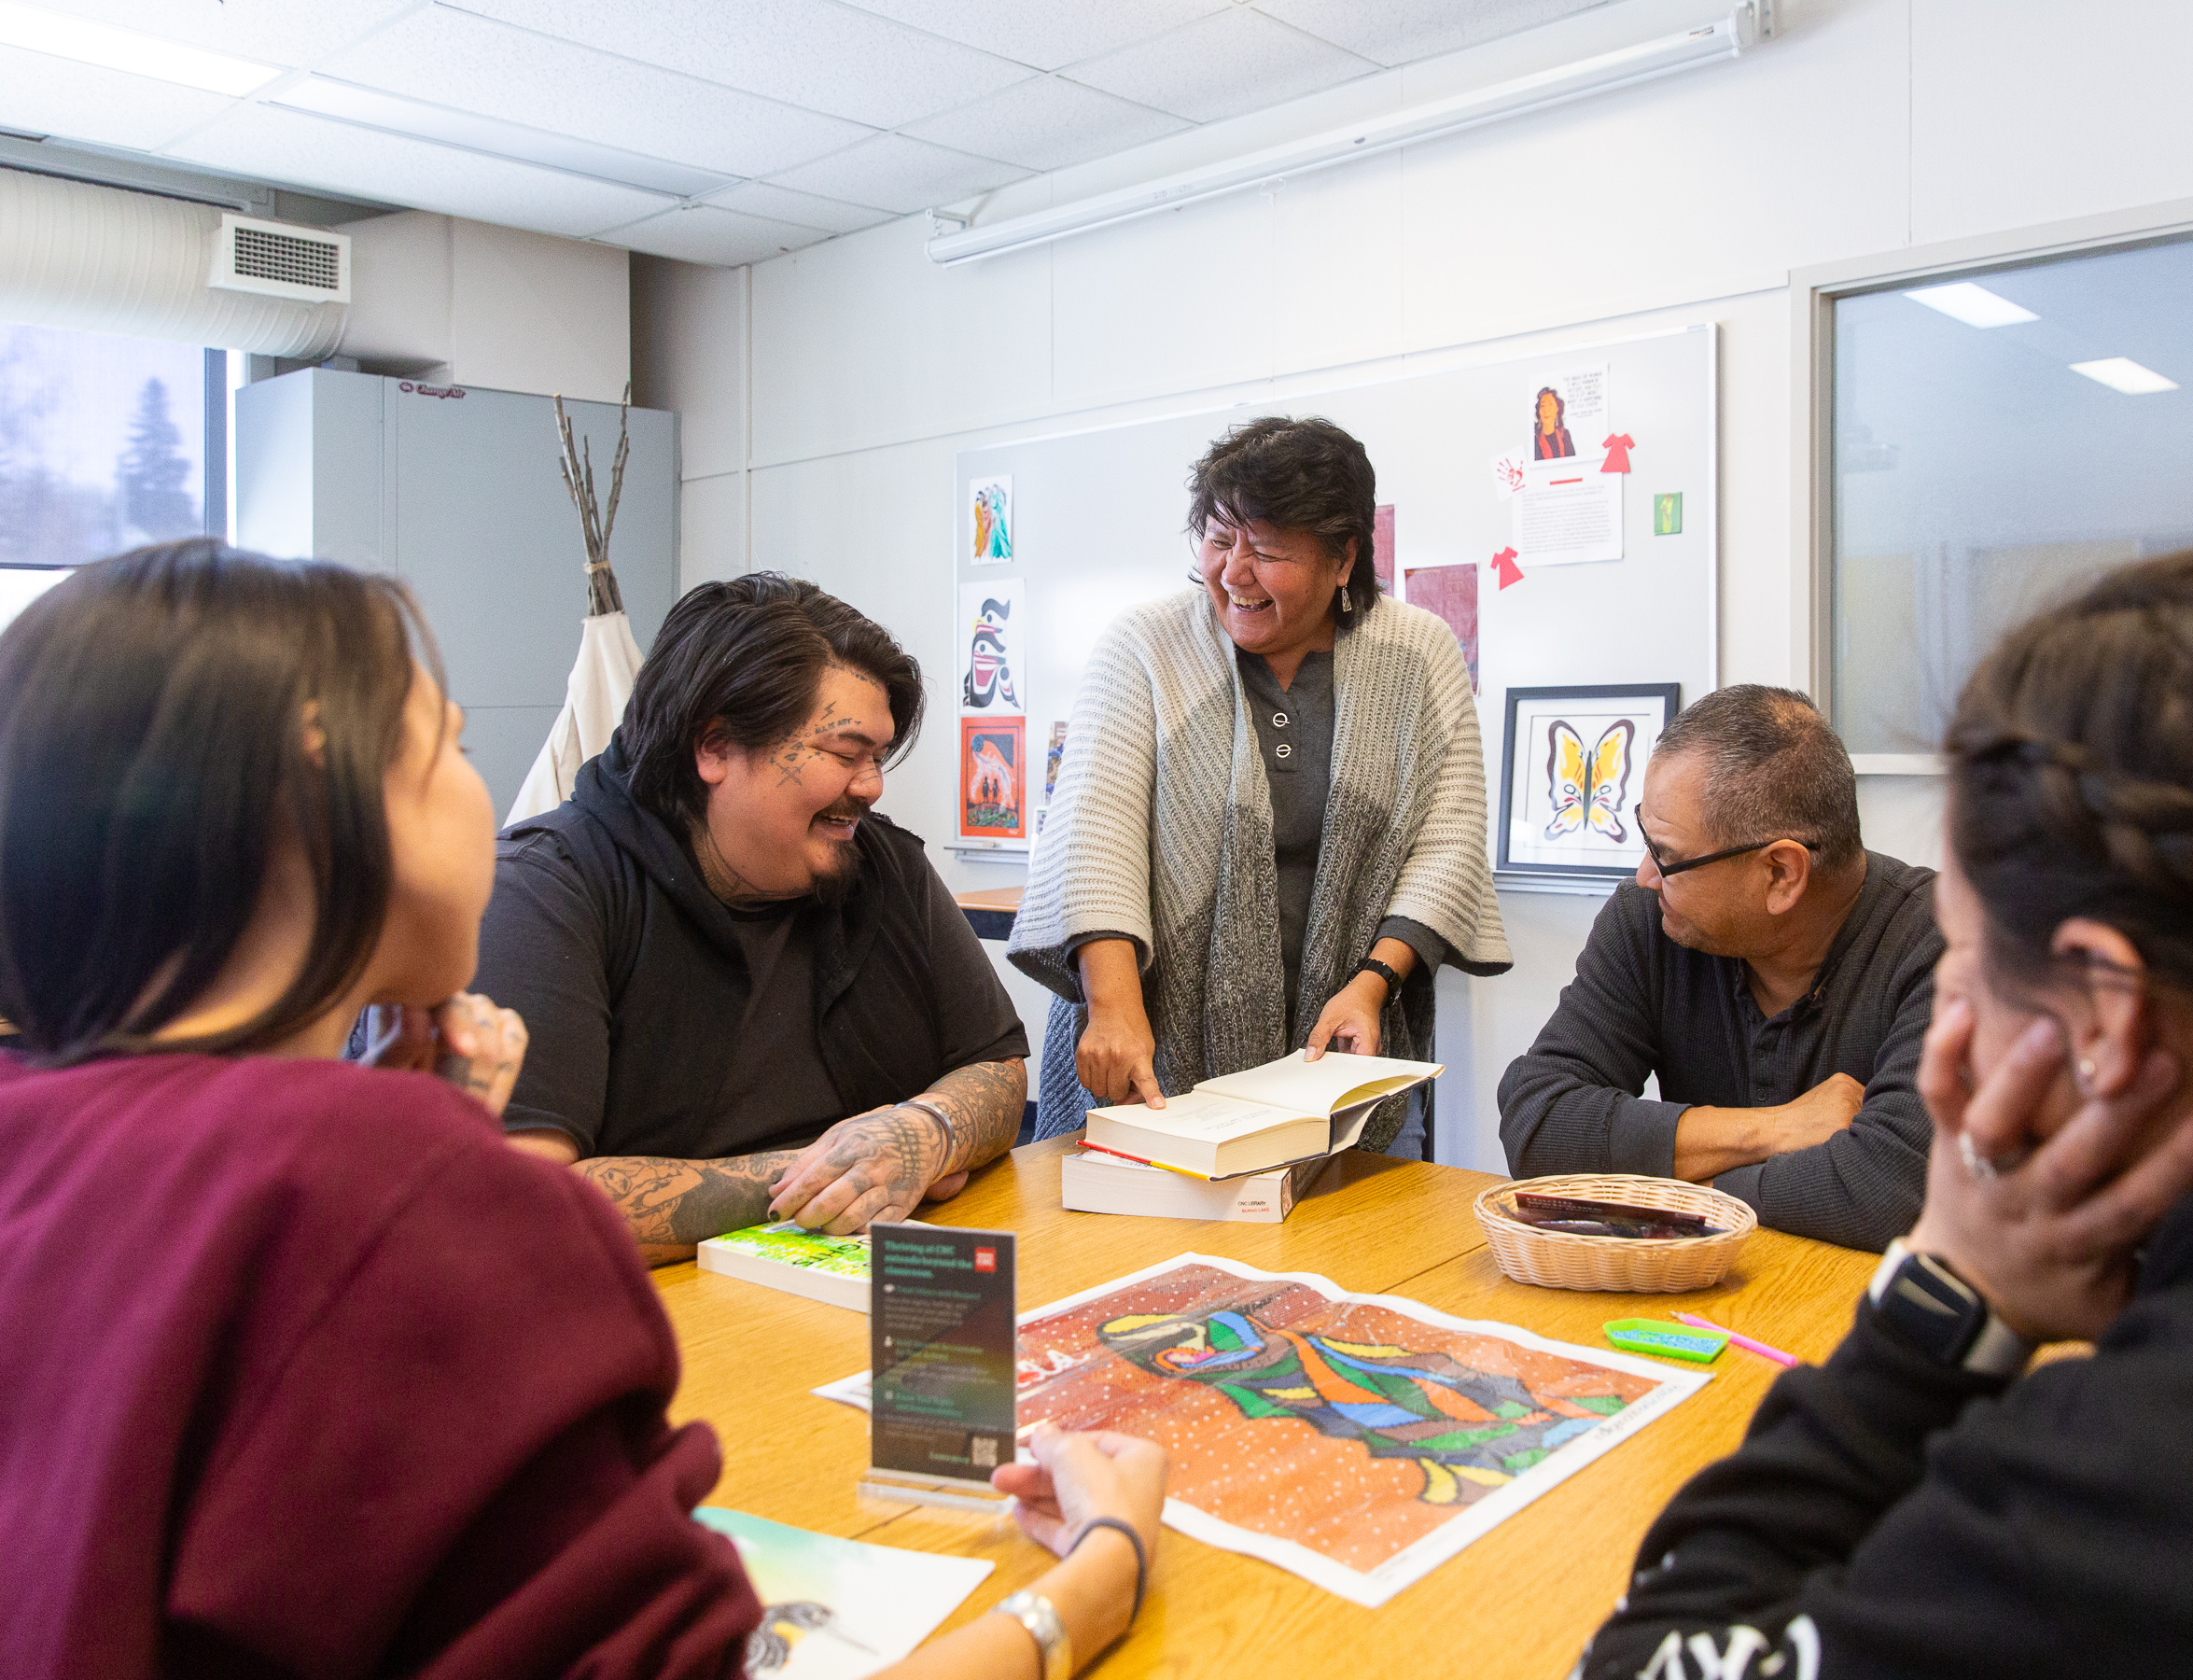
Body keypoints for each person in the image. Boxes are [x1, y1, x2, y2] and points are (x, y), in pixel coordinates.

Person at [0, 540, 1172, 1680]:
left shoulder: (66, 1134)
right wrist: (1095, 1578)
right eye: (446, 752)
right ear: (326, 814)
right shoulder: (395, 1168)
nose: (496, 792)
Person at [1577, 551, 2193, 1679]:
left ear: (2104, 1017)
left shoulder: (2149, 1484)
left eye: (1971, 963)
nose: (1948, 1043)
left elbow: (1644, 1656)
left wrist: (1942, 1300)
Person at [477, 575, 1029, 1263]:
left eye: (878, 758)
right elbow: (520, 1203)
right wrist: (838, 1173)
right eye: (843, 753)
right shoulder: (544, 893)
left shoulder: (881, 864)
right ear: (713, 746)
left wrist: (926, 1131)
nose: (871, 786)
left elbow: (998, 1068)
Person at [1010, 415, 1510, 1150]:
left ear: (1344, 558)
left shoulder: (1418, 652)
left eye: (1267, 551)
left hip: (1341, 1056)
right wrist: (1111, 1006)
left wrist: (1373, 982)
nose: (1233, 572)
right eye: (1218, 541)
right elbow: (1094, 832)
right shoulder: (1145, 645)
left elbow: (1450, 838)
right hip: (1155, 1056)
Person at [1499, 686, 1939, 1250]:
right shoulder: (1649, 923)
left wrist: (1662, 1190)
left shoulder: (1945, 944)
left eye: (1669, 858)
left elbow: (1887, 1189)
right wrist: (1775, 1129)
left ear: (1781, 874)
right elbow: (1538, 1121)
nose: (1644, 876)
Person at [1534, 386, 1577, 459]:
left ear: (1557, 408)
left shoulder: (1565, 435)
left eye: (1550, 404)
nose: (1546, 410)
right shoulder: (1535, 441)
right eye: (1543, 406)